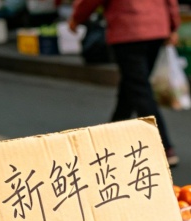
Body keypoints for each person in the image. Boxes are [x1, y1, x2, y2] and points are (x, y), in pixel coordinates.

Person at [69, 0, 181, 167]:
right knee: (133, 84)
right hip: (157, 28)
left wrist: (77, 18)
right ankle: (109, 137)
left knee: (139, 88)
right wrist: (173, 25)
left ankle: (163, 145)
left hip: (128, 30)